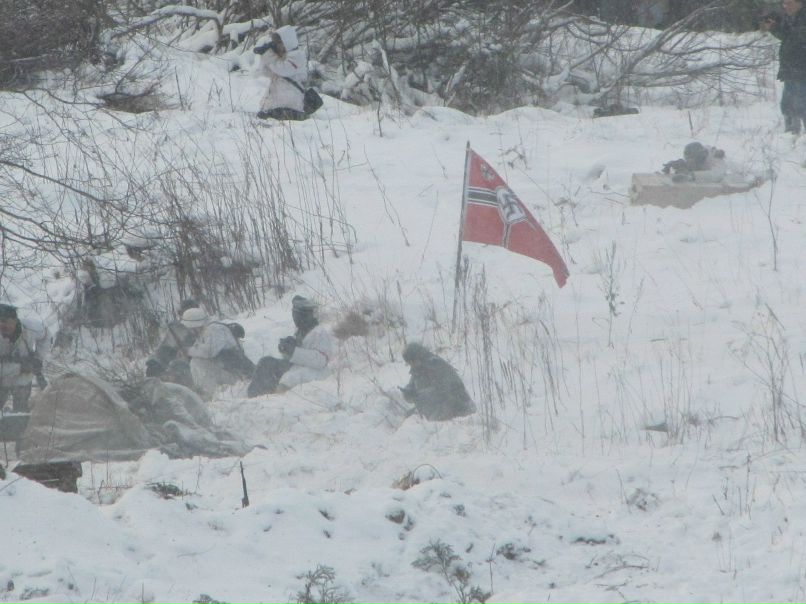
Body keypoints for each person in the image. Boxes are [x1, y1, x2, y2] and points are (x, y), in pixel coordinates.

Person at [247, 295, 333, 397]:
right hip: (296, 367)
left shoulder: (319, 333)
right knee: (266, 362)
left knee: (286, 381)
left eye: (297, 316)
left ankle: (268, 399)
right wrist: (287, 348)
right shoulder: (300, 330)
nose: (295, 319)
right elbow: (295, 354)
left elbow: (320, 361)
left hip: (311, 372)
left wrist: (294, 351)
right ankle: (255, 397)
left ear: (305, 316)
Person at [182, 307, 252, 399]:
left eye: (190, 328)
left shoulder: (215, 329)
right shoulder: (205, 331)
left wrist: (187, 351)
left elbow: (209, 352)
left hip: (237, 375)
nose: (190, 331)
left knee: (196, 362)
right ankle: (209, 393)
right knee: (195, 362)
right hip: (226, 370)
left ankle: (212, 395)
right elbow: (199, 349)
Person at [760, 0, 806, 134]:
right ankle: (791, 130)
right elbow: (787, 36)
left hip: (801, 69)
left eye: (789, 3)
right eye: (784, 4)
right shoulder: (790, 18)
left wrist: (776, 27)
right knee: (788, 103)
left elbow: (795, 38)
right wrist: (775, 24)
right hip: (791, 69)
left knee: (801, 102)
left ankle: (796, 132)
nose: (786, 6)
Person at [398, 343, 476, 421]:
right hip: (435, 408)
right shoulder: (417, 370)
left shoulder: (436, 365)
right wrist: (408, 393)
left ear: (417, 357)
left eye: (412, 362)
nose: (411, 365)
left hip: (456, 405)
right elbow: (412, 386)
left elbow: (444, 390)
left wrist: (420, 395)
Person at [0, 303, 50, 413]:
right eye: (0, 322)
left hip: (23, 381)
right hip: (2, 380)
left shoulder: (31, 327)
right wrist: (20, 367)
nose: (3, 326)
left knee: (21, 414)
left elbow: (46, 335)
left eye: (6, 321)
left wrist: (39, 358)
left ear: (15, 320)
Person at [254, 25, 308, 121]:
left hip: (291, 105)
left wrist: (268, 54)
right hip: (276, 104)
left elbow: (282, 70)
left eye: (279, 42)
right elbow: (264, 72)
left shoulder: (297, 56)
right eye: (276, 43)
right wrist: (264, 56)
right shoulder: (280, 57)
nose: (278, 45)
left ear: (287, 41)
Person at [146, 298, 200, 379]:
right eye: (184, 313)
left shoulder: (208, 326)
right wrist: (155, 362)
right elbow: (164, 348)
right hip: (183, 367)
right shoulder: (177, 329)